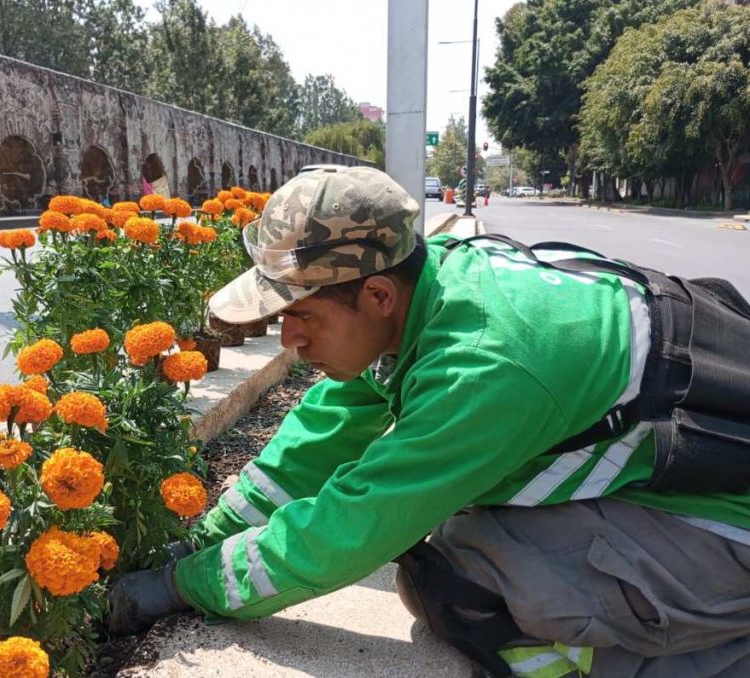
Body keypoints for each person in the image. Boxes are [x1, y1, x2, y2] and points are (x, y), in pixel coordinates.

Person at [108, 166, 750, 677]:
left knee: (457, 574)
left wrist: (178, 586)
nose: (290, 340)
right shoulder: (434, 283)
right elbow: (321, 433)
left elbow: (350, 529)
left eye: (303, 316)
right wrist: (204, 536)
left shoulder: (484, 364)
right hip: (689, 471)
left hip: (726, 526)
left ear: (377, 296)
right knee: (443, 535)